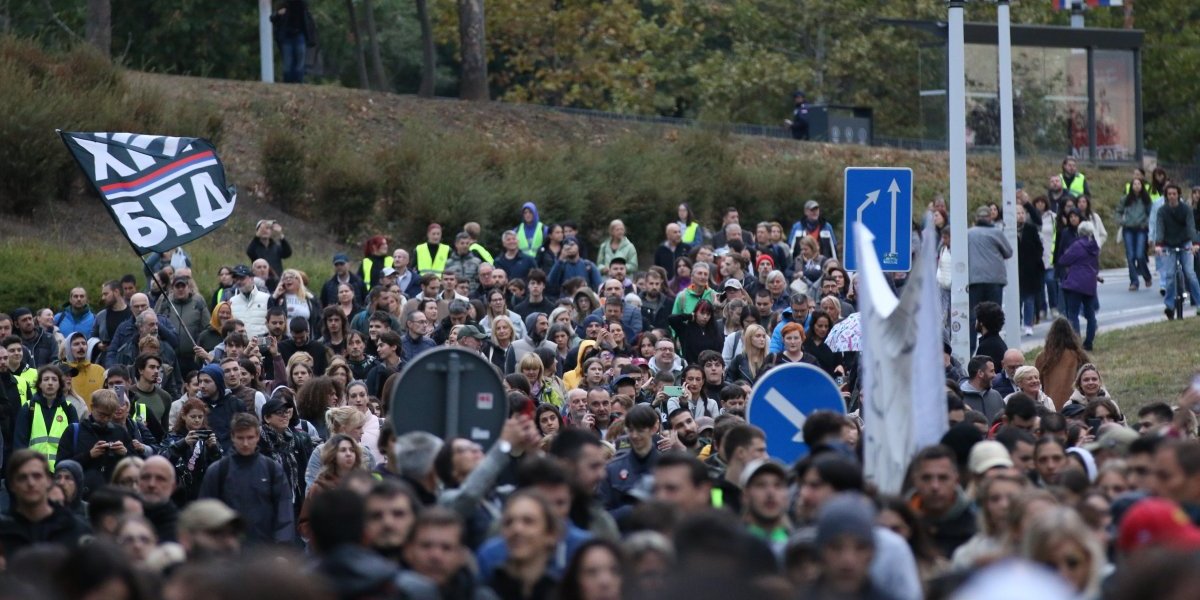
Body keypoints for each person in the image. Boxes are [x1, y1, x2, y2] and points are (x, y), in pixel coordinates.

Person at [199, 412, 294, 545]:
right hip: (227, 551)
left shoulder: (272, 469)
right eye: (240, 438)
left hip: (264, 550)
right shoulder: (218, 471)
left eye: (250, 438)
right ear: (232, 437)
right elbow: (206, 512)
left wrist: (282, 547)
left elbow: (284, 511)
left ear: (257, 436)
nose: (245, 443)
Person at [0, 450, 91, 557]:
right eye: (22, 477)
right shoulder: (4, 530)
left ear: (49, 481)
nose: (31, 483)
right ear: (12, 485)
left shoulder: (75, 530)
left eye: (37, 476)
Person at [482, 490, 561, 600]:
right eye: (509, 522)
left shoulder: (562, 593)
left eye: (528, 521)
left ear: (550, 534)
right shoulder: (485, 592)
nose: (516, 529)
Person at [908, 445, 977, 558]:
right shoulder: (901, 527)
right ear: (914, 480)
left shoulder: (976, 529)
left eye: (943, 478)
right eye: (926, 478)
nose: (935, 486)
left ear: (956, 480)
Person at [298, 433, 366, 541]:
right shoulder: (320, 487)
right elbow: (305, 523)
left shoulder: (364, 484)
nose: (349, 454)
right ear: (333, 455)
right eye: (343, 450)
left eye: (352, 450)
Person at [14, 365, 80, 470]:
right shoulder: (29, 407)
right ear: (39, 384)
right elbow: (20, 443)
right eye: (46, 379)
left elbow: (75, 443)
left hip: (61, 470)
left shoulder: (68, 409)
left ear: (59, 384)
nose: (50, 383)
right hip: (34, 469)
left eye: (54, 379)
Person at [966, 206, 1013, 353]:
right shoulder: (996, 233)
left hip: (974, 279)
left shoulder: (969, 233)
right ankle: (992, 346)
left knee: (974, 315)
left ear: (976, 219)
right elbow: (1008, 252)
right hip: (994, 279)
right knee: (993, 316)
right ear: (990, 218)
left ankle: (971, 348)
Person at [1155, 184, 1200, 319]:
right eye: (1169, 194)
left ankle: (1199, 304)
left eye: (1174, 194)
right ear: (1166, 196)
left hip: (1185, 242)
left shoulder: (1186, 209)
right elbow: (1160, 228)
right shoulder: (1162, 211)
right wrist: (1158, 245)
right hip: (1169, 244)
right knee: (1169, 276)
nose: (1172, 196)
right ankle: (1169, 306)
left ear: (1178, 195)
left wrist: (1195, 243)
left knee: (1190, 273)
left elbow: (1191, 227)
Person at [1034, 318, 1089, 411]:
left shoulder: (1042, 357)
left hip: (1049, 408)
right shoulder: (1078, 355)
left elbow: (1037, 384)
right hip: (1073, 407)